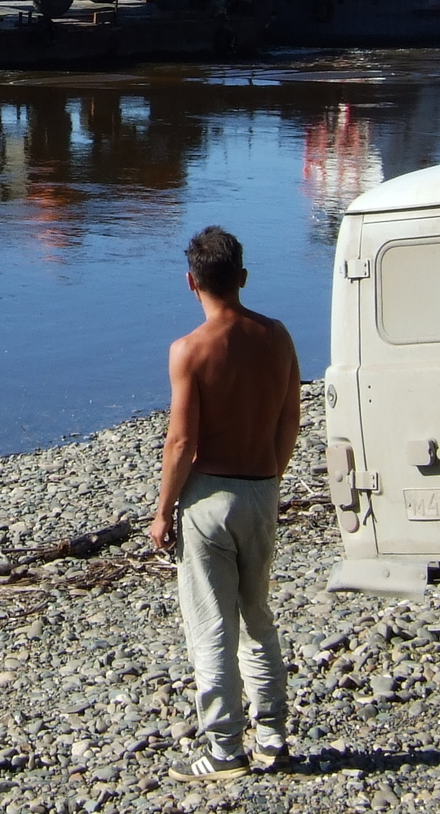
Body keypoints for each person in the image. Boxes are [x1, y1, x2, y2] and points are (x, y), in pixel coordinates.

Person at [150, 226, 301, 781]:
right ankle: (273, 736)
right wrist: (272, 474)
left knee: (212, 626)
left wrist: (164, 509)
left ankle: (223, 749)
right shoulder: (278, 337)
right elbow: (291, 420)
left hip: (209, 497)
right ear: (241, 278)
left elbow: (182, 443)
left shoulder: (189, 350)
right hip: (261, 488)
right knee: (257, 617)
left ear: (192, 282)